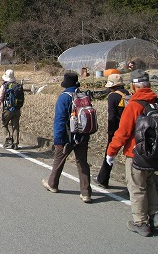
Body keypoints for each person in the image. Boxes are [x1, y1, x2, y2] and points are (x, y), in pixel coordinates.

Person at [106, 69, 158, 237]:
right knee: (149, 183)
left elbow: (123, 132)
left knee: (137, 187)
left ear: (133, 86)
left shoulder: (134, 104)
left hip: (136, 154)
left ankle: (141, 222)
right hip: (155, 154)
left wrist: (111, 152)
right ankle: (155, 215)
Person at [42, 72, 92, 203]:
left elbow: (59, 119)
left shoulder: (64, 97)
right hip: (83, 135)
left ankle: (52, 184)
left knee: (59, 160)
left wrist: (58, 139)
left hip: (67, 136)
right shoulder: (83, 95)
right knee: (82, 163)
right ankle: (86, 192)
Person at [95, 73, 129, 188]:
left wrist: (111, 132)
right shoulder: (129, 94)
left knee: (109, 154)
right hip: (130, 129)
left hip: (117, 129)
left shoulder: (112, 96)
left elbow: (112, 116)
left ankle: (103, 179)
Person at [0, 69, 23, 149]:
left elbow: (0, 98)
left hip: (7, 109)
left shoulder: (5, 85)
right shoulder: (18, 86)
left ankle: (8, 139)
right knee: (15, 126)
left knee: (3, 124)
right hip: (17, 109)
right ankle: (16, 143)